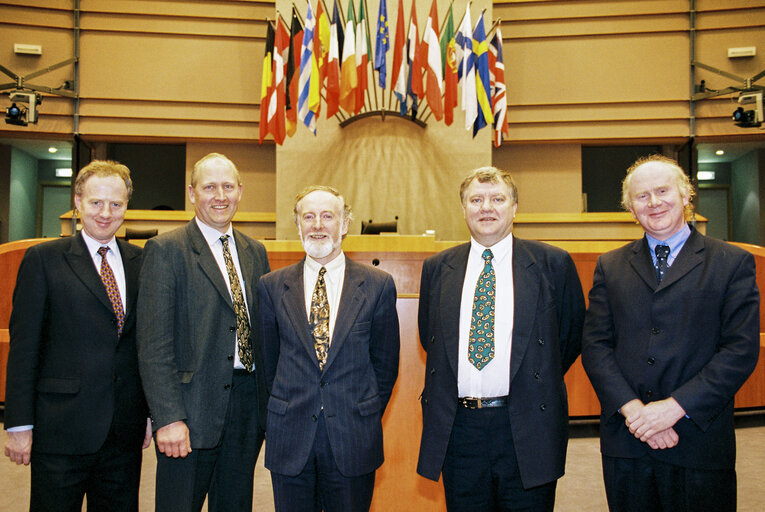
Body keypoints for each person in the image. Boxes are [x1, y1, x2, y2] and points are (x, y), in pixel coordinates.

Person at [581, 154, 760, 512]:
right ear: (630, 208)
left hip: (699, 438)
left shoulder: (732, 262)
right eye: (642, 196)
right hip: (627, 439)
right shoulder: (610, 265)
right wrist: (637, 413)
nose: (654, 202)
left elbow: (739, 350)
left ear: (685, 195)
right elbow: (595, 345)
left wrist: (672, 409)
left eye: (663, 191)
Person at [416, 166, 585, 511]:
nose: (486, 207)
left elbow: (567, 340)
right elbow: (430, 339)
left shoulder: (553, 263)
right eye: (475, 200)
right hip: (459, 430)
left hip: (526, 424)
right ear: (463, 209)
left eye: (497, 199)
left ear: (514, 207)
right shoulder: (438, 268)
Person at [3, 160, 151, 511]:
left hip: (122, 434)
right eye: (96, 202)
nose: (105, 213)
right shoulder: (44, 259)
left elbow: (143, 346)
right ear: (78, 202)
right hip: (60, 431)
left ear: (126, 207)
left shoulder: (142, 261)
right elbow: (25, 347)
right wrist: (19, 424)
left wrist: (147, 413)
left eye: (116, 204)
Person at [136, 153, 270, 512]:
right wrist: (167, 417)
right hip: (190, 410)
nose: (220, 196)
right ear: (192, 193)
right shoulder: (166, 250)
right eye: (210, 187)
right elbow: (153, 345)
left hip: (245, 407)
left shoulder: (255, 251)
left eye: (228, 186)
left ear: (240, 191)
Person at [257, 185, 400, 512]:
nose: (317, 225)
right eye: (308, 217)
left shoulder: (377, 286)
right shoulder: (272, 286)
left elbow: (385, 368)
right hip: (290, 435)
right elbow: (268, 364)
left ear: (344, 224)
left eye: (327, 216)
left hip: (352, 436)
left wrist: (359, 413)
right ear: (298, 225)